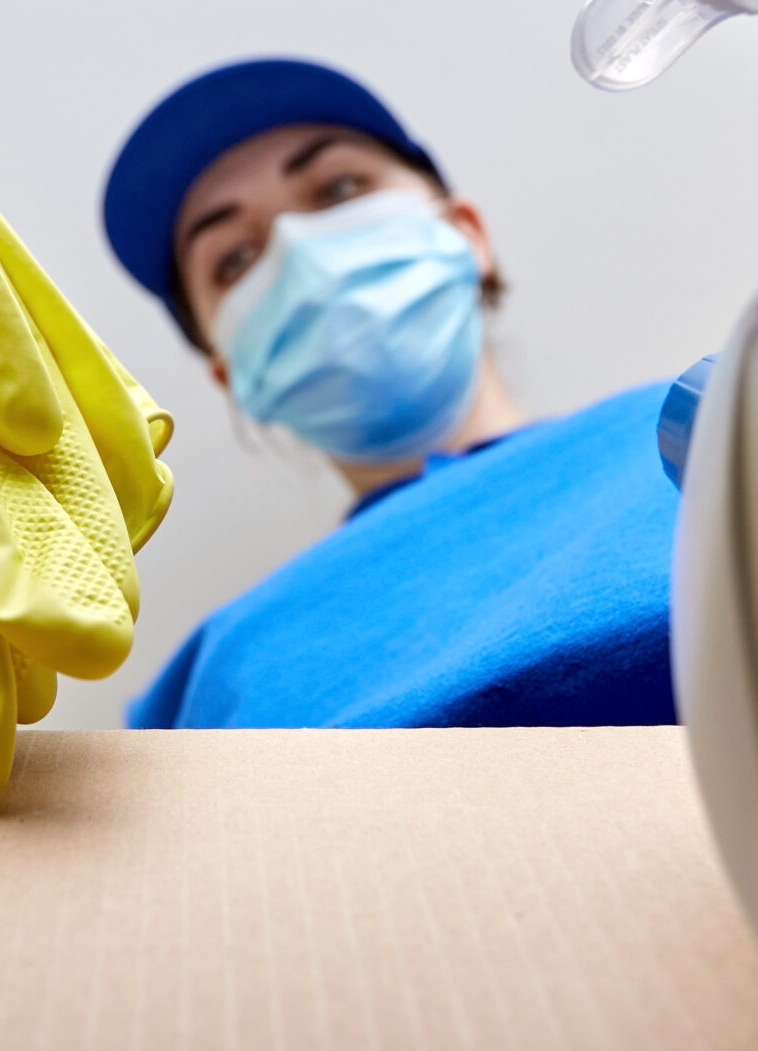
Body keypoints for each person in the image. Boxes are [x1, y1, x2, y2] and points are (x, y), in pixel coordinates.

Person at [102, 57, 692, 729]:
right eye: (234, 258)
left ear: (466, 233)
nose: (297, 248)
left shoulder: (699, 429)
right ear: (230, 376)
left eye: (339, 186)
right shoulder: (211, 675)